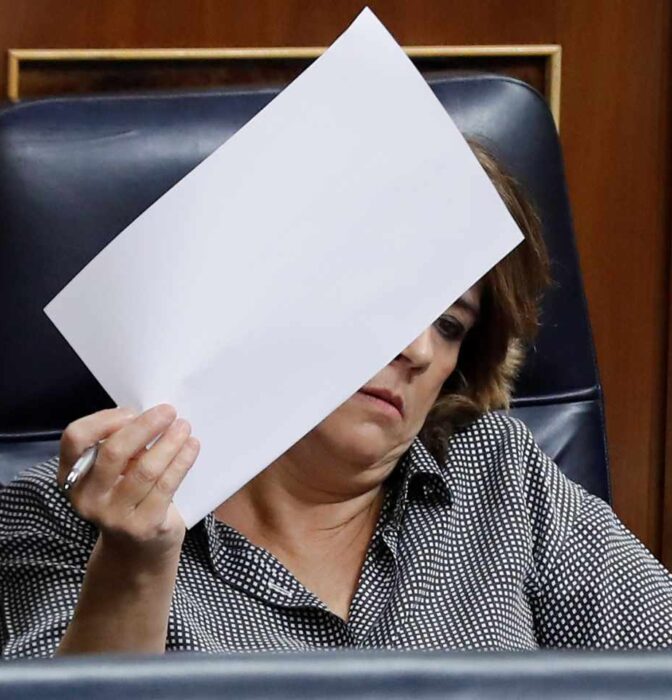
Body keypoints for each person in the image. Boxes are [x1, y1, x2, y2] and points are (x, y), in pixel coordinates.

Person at [1, 143, 671, 659]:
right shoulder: (63, 512)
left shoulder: (499, 476)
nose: (418, 348)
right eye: (395, 296)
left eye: (449, 325)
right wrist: (133, 566)